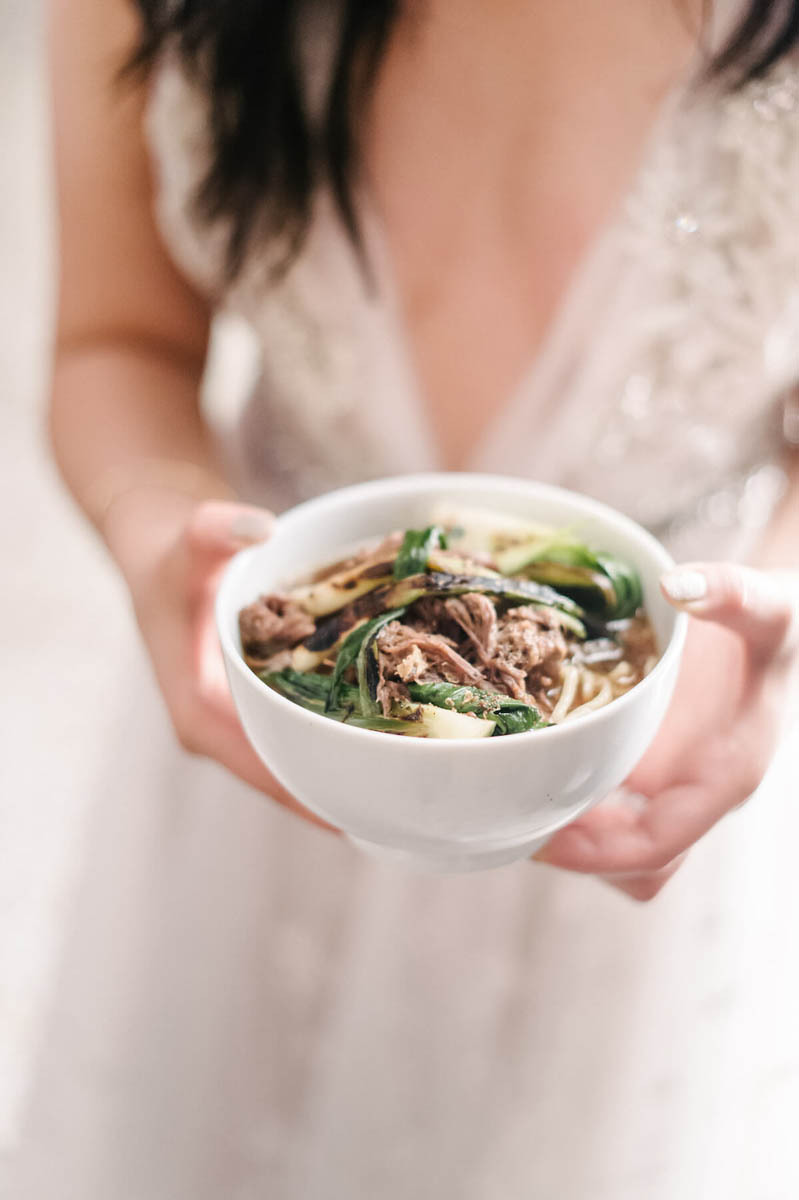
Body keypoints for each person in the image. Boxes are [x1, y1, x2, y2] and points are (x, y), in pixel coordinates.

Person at [17, 0, 798, 1195]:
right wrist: (160, 532)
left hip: (666, 727)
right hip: (276, 747)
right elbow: (118, 339)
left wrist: (771, 608)